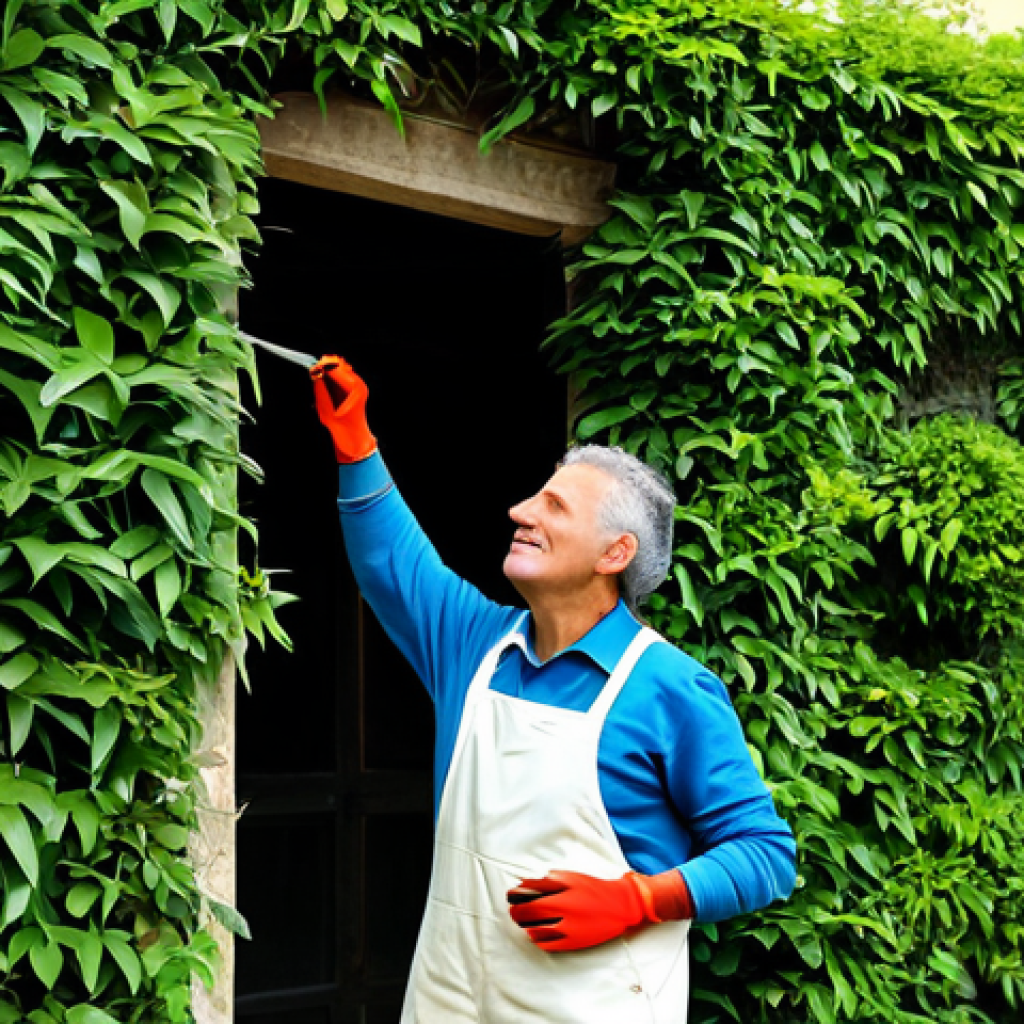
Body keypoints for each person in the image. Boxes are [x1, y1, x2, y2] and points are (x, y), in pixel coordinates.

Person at [309, 355, 796, 1024]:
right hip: (447, 1001)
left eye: (554, 506)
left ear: (614, 554)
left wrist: (639, 900)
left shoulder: (669, 688)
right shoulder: (475, 643)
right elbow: (395, 564)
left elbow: (764, 854)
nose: (519, 510)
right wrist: (356, 443)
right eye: (534, 497)